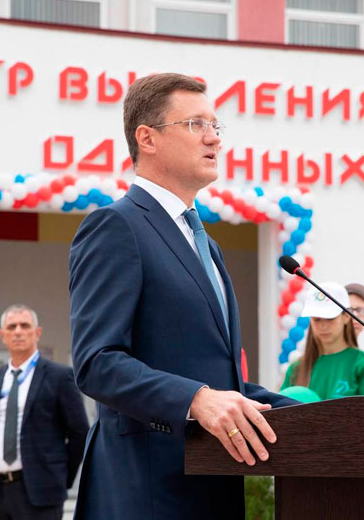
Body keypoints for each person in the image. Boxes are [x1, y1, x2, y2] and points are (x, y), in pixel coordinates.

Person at [68, 72, 297, 520]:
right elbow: (96, 363)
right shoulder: (116, 226)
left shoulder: (205, 244)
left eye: (215, 126)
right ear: (147, 138)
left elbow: (216, 380)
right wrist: (195, 399)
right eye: (196, 125)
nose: (214, 138)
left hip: (213, 485)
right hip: (147, 493)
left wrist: (323, 414)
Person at [0, 304, 88, 520]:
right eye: (12, 327)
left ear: (37, 333)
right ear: (2, 335)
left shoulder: (59, 376)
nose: (18, 331)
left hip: (42, 491)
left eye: (25, 325)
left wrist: (61, 477)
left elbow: (80, 432)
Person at [281, 282, 364, 399]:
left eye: (330, 318)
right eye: (317, 319)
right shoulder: (296, 369)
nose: (323, 326)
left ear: (346, 317)